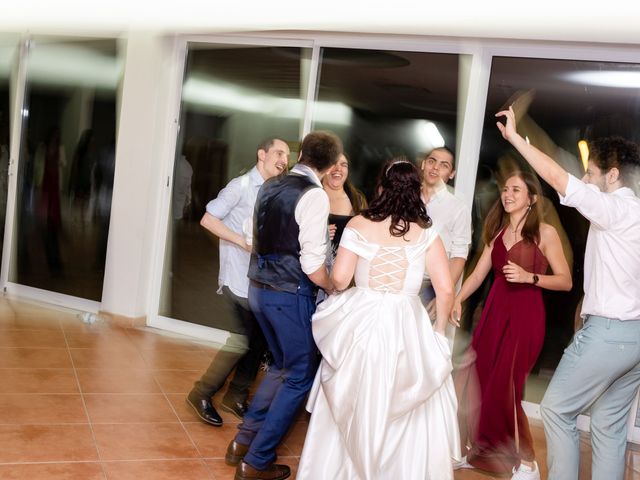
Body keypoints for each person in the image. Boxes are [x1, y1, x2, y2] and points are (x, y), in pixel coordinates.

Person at [497, 107, 640, 480]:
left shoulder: (614, 208)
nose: (586, 179)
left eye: (591, 173)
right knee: (609, 426)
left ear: (612, 175)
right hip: (635, 335)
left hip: (609, 333)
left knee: (556, 409)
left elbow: (558, 178)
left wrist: (514, 138)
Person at [297, 158, 461, 479]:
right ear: (417, 192)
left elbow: (341, 280)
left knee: (353, 393)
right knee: (407, 397)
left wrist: (331, 283)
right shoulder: (427, 233)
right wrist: (438, 333)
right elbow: (445, 289)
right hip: (407, 322)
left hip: (363, 318)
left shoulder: (358, 225)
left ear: (381, 187)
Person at [225, 131, 342, 480]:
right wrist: (333, 285)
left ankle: (243, 442)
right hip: (289, 293)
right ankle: (257, 461)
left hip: (258, 288)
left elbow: (250, 235)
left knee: (279, 366)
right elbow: (311, 264)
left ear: (300, 153)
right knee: (300, 374)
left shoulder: (269, 185)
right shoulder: (314, 195)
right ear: (331, 164)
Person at [451, 170, 572, 478]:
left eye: (516, 190)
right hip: (493, 314)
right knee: (480, 378)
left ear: (531, 199)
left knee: (507, 386)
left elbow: (565, 281)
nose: (507, 194)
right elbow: (478, 275)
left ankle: (529, 463)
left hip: (525, 318)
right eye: (505, 189)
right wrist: (456, 299)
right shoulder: (498, 232)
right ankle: (479, 452)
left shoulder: (545, 233)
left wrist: (530, 277)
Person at [186, 137, 290, 426]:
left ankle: (236, 396)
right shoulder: (240, 186)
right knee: (243, 340)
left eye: (287, 155)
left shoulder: (275, 190)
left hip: (260, 279)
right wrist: (241, 242)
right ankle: (201, 393)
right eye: (278, 153)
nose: (283, 159)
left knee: (257, 341)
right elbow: (208, 219)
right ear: (262, 154)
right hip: (238, 279)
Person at [420, 146, 472, 326]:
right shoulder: (407, 198)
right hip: (400, 281)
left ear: (452, 173)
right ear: (423, 164)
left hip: (431, 287)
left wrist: (443, 296)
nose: (435, 168)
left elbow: (459, 256)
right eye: (432, 161)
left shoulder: (458, 208)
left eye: (443, 165)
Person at [323, 153, 367, 256]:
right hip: (311, 268)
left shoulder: (358, 200)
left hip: (344, 269)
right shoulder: (310, 196)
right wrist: (317, 235)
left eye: (343, 165)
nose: (338, 168)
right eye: (333, 163)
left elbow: (365, 239)